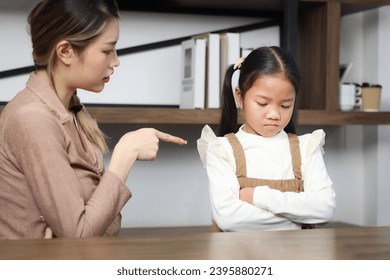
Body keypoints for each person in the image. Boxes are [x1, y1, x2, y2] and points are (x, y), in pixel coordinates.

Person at [0, 0, 187, 239]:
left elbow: (106, 226)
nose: (116, 61)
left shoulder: (72, 110)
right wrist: (125, 154)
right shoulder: (33, 118)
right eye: (107, 50)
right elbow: (80, 236)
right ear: (65, 51)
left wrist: (92, 212)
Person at [197, 46, 336, 232]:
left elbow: (324, 209)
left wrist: (256, 196)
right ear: (240, 96)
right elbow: (229, 219)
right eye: (262, 103)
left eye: (286, 105)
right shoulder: (222, 149)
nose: (274, 114)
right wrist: (299, 220)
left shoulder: (307, 147)